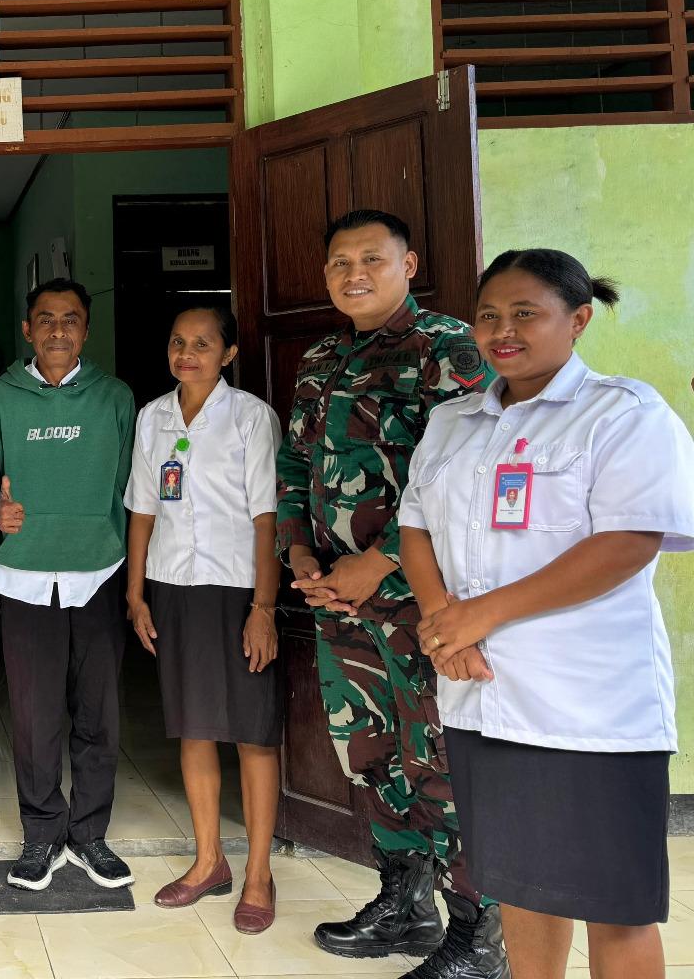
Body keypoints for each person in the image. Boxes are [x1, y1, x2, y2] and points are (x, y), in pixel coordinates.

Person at [400, 249, 694, 979]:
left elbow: (628, 541)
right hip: (482, 698)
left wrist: (478, 616)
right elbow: (415, 527)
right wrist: (443, 623)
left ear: (579, 319)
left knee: (614, 906)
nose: (502, 331)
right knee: (521, 891)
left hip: (588, 709)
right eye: (489, 315)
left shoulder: (623, 414)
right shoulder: (452, 422)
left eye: (525, 313)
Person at [276, 209, 509, 979]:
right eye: (340, 262)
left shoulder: (451, 351)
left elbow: (468, 478)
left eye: (371, 259)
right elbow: (295, 465)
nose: (354, 274)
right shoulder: (319, 360)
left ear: (408, 266)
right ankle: (404, 904)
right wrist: (299, 551)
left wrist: (377, 564)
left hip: (420, 602)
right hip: (339, 604)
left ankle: (478, 936)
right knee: (370, 751)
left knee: (439, 758)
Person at [0, 277, 137, 892]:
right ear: (27, 329)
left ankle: (90, 835)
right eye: (46, 319)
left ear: (86, 330)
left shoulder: (115, 398)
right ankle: (41, 834)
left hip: (99, 572)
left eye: (70, 319)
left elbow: (133, 488)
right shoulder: (0, 399)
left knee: (98, 715)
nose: (58, 330)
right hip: (24, 578)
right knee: (35, 718)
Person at [126, 306, 282, 933]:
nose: (186, 354)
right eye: (177, 342)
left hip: (237, 589)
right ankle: (209, 861)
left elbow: (267, 518)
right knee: (193, 727)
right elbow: (142, 509)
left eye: (202, 343)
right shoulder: (152, 418)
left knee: (252, 732)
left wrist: (264, 608)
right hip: (173, 586)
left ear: (229, 353)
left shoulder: (250, 418)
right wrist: (136, 594)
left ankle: (258, 875)